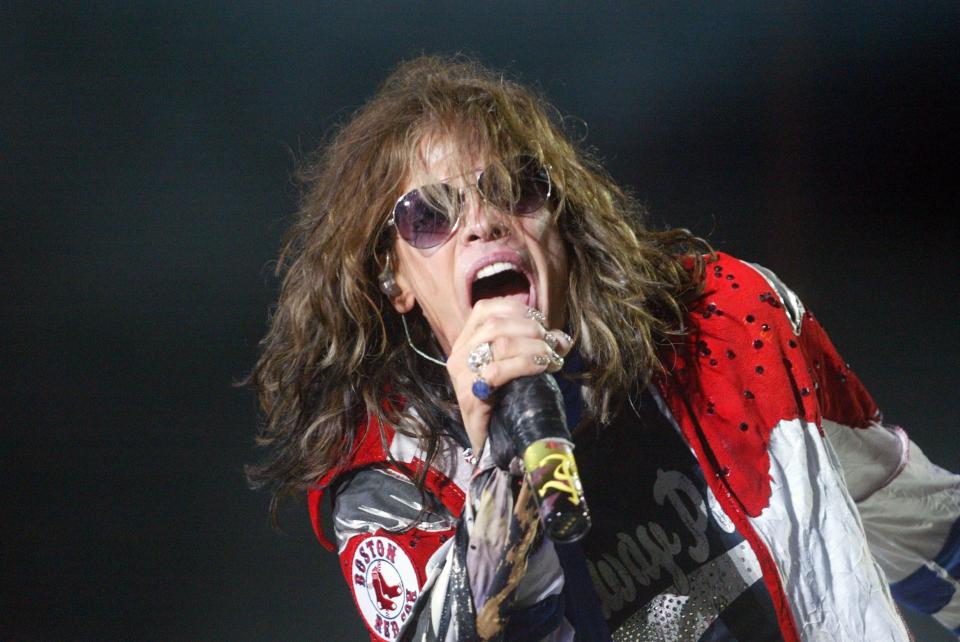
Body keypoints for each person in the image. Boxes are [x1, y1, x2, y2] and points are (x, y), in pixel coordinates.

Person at [248, 55, 960, 641]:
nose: (483, 223)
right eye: (430, 214)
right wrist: (500, 469)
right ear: (392, 277)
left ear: (559, 219)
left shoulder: (728, 324)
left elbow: (925, 534)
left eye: (515, 188)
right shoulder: (389, 479)